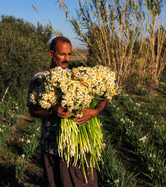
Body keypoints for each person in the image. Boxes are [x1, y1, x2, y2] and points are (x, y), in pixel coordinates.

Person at [27, 36, 108, 187]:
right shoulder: (39, 79)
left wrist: (95, 111)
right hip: (52, 149)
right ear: (51, 54)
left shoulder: (78, 76)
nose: (67, 58)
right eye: (62, 54)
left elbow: (106, 94)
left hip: (78, 149)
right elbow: (32, 110)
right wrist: (52, 112)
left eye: (69, 54)